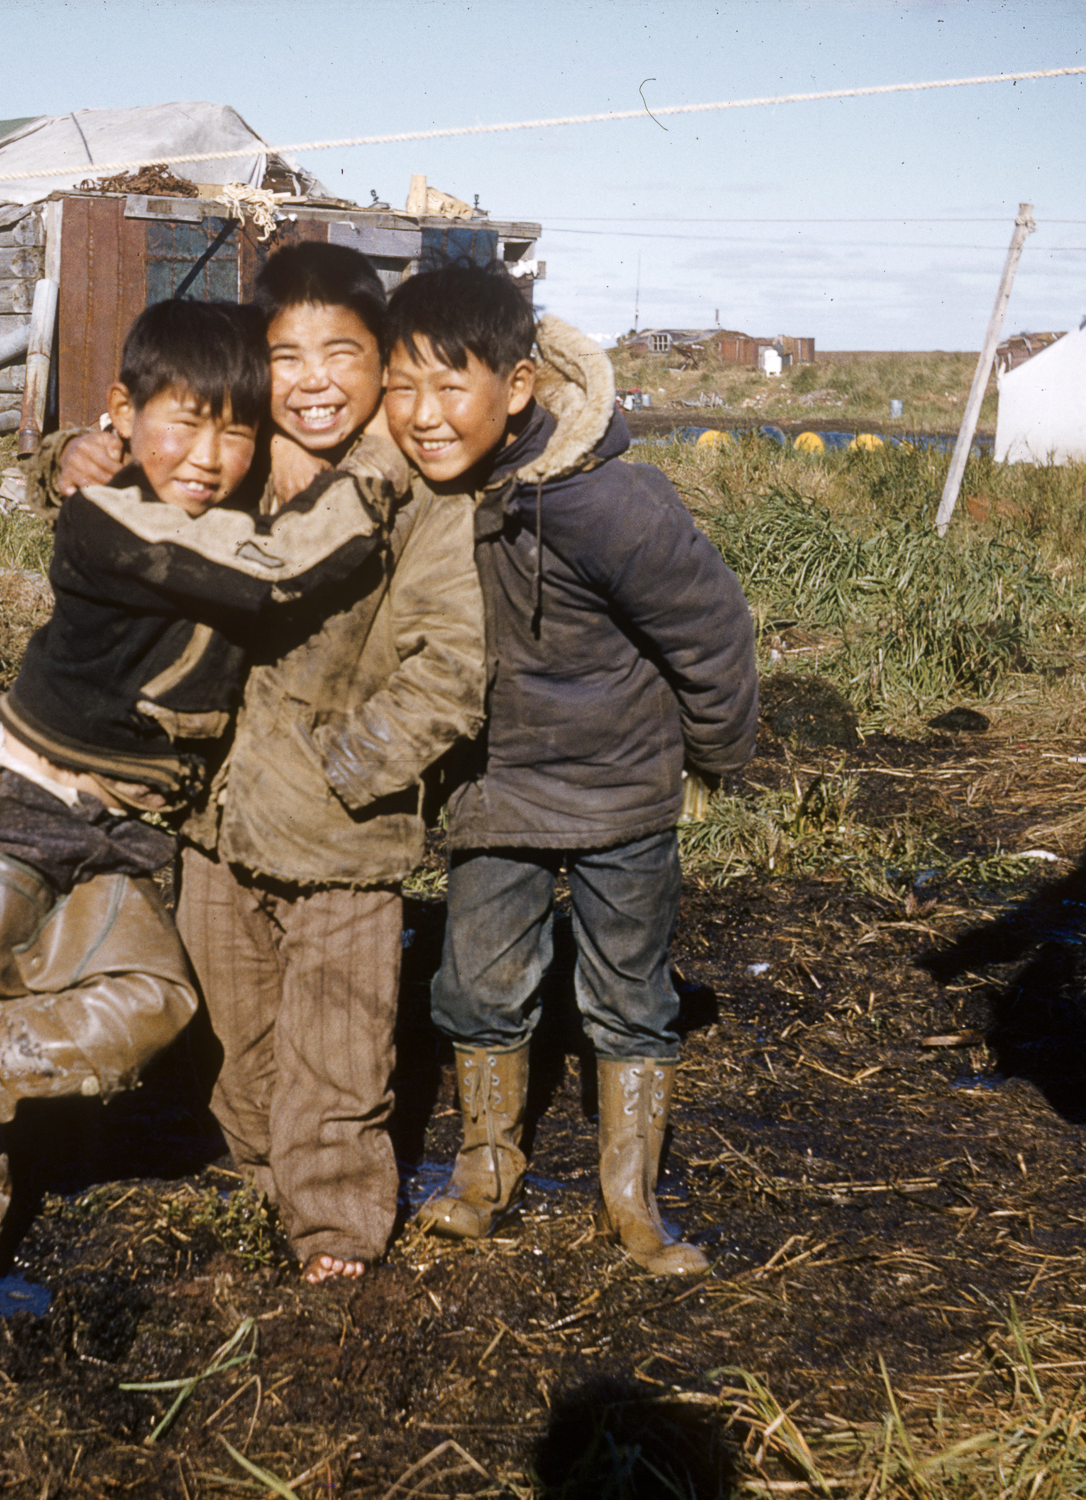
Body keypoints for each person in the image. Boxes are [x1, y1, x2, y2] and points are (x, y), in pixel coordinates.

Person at [0, 298, 384, 1317]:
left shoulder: (207, 506)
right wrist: (380, 474)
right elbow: (274, 580)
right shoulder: (114, 517)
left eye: (237, 428)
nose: (213, 454)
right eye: (188, 421)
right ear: (123, 413)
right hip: (20, 799)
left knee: (152, 1002)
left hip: (127, 824)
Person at [42, 244, 486, 1283]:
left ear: (385, 363)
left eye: (346, 353)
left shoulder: (420, 499)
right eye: (287, 356)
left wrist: (349, 771)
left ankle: (334, 1230)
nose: (316, 381)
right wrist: (77, 449)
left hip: (342, 831)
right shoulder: (231, 464)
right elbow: (128, 475)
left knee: (338, 1051)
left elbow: (452, 666)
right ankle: (257, 1175)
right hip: (215, 820)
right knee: (235, 1041)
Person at [386, 265, 760, 1277]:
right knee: (478, 984)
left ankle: (630, 1198)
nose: (420, 416)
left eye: (446, 386)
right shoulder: (419, 495)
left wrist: (718, 757)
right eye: (400, 388)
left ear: (517, 385)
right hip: (491, 792)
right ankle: (484, 1171)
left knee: (629, 993)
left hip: (621, 793)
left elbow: (709, 630)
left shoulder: (612, 502)